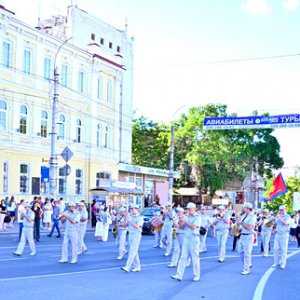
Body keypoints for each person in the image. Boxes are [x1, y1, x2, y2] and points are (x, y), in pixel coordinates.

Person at [171, 202, 201, 282]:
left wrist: (185, 221)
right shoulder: (186, 216)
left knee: (195, 257)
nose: (188, 210)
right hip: (186, 238)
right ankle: (179, 275)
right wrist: (180, 220)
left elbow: (193, 227)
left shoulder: (197, 217)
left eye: (190, 209)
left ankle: (196, 275)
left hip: (194, 238)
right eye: (187, 209)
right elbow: (181, 227)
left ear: (194, 209)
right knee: (183, 257)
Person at [121, 204, 144, 273]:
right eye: (131, 209)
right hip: (130, 234)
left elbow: (137, 226)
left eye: (134, 209)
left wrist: (130, 221)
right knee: (134, 251)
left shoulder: (140, 217)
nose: (132, 210)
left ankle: (128, 266)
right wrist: (124, 219)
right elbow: (125, 225)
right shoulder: (130, 216)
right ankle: (137, 266)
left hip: (136, 235)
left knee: (132, 251)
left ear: (137, 209)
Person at [237, 202, 256, 275]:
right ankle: (248, 263)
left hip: (248, 235)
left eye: (244, 207)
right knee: (240, 251)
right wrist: (238, 224)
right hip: (242, 235)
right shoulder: (244, 215)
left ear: (247, 208)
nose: (243, 209)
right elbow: (240, 224)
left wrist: (241, 222)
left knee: (247, 253)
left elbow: (250, 227)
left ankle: (246, 269)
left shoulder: (252, 216)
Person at [272, 205, 291, 270]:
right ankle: (276, 263)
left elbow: (286, 223)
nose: (280, 211)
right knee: (275, 249)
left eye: (282, 210)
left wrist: (280, 218)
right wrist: (274, 229)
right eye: (280, 210)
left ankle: (283, 264)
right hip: (277, 234)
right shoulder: (278, 216)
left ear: (285, 209)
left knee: (283, 250)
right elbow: (276, 224)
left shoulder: (288, 216)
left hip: (284, 234)